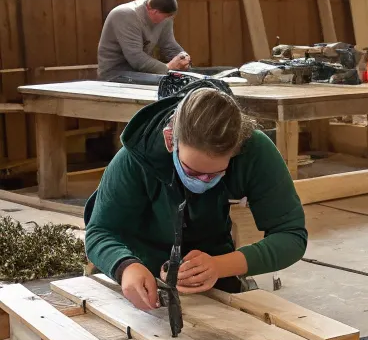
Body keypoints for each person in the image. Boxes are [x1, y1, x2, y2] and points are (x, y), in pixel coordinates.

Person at [85, 82, 306, 311]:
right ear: (170, 140)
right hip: (143, 271)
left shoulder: (254, 150)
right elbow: (99, 231)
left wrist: (221, 265)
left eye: (215, 174)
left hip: (213, 269)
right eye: (192, 171)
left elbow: (291, 235)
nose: (203, 181)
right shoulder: (136, 156)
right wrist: (125, 266)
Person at [97, 0, 191, 80]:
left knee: (189, 79)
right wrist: (167, 67)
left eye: (168, 17)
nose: (165, 20)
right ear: (149, 7)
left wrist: (183, 58)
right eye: (161, 15)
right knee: (168, 83)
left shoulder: (165, 18)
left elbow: (168, 44)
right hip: (115, 73)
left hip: (142, 72)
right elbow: (136, 58)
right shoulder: (125, 15)